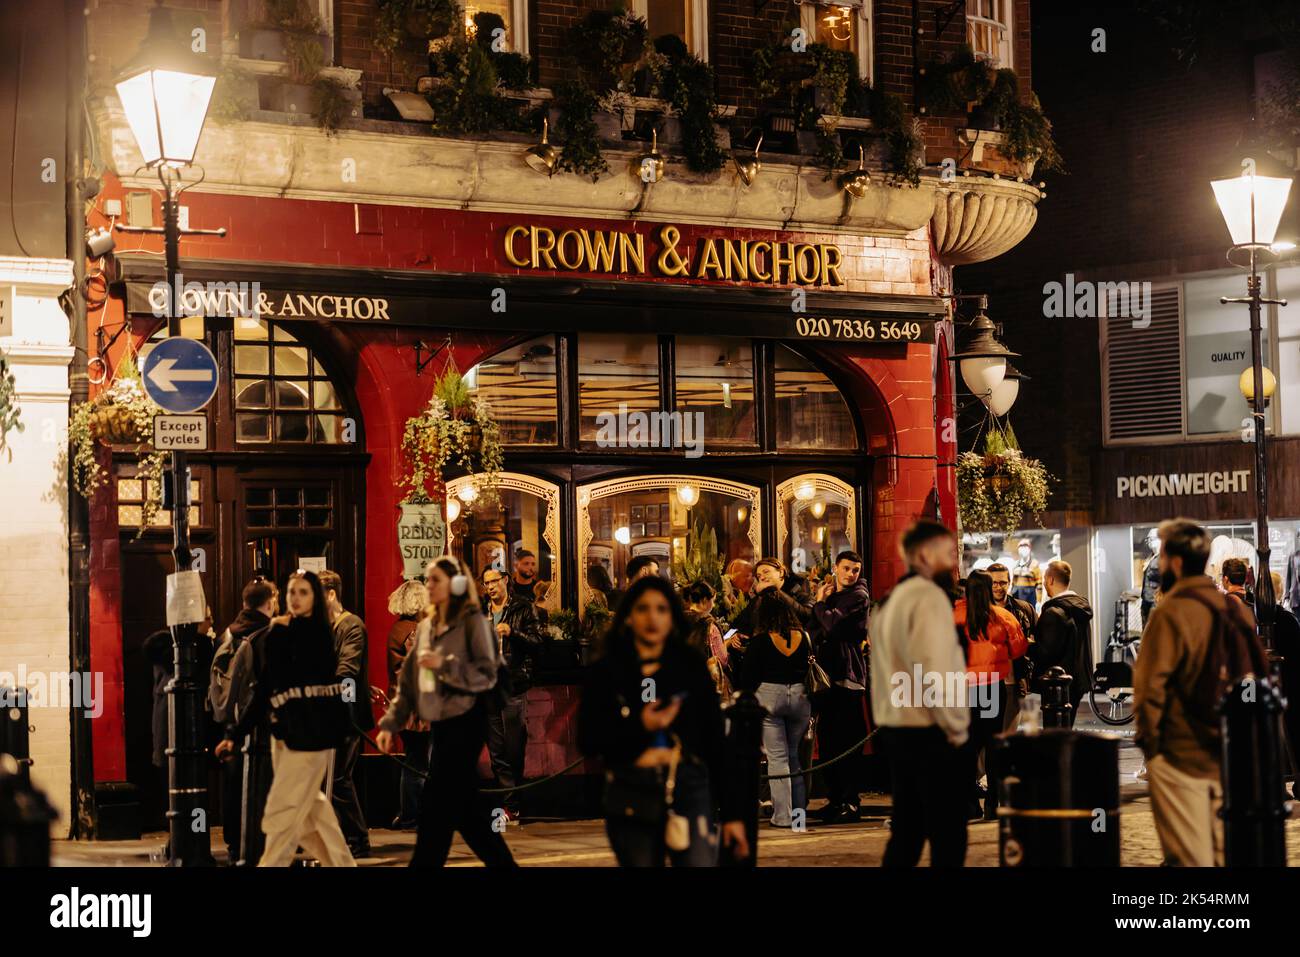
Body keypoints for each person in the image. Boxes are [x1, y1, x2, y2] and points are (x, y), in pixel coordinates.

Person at [577, 576, 750, 866]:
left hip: (686, 783)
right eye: (643, 608)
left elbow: (715, 742)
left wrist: (732, 815)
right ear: (629, 616)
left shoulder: (689, 666)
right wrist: (640, 724)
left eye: (661, 609)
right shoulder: (608, 670)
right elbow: (589, 739)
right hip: (631, 786)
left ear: (672, 615)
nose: (652, 617)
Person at [1135, 519, 1267, 866]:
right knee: (1220, 850)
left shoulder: (1171, 613)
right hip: (1228, 751)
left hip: (1181, 752)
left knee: (1188, 855)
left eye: (1163, 556)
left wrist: (1153, 748)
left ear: (1175, 562)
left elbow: (1150, 689)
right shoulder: (1231, 609)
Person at [375, 557, 516, 868]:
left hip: (467, 725)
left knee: (436, 808)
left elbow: (487, 674)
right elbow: (411, 679)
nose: (428, 586)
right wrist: (390, 724)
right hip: (441, 724)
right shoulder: (425, 627)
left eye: (434, 581)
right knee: (466, 815)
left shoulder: (473, 624)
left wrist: (446, 666)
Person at [214, 571, 355, 867]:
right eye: (292, 592)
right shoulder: (277, 631)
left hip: (313, 736)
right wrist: (236, 734)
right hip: (285, 733)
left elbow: (326, 684)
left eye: (303, 592)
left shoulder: (321, 633)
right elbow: (266, 686)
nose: (295, 598)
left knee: (282, 812)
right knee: (312, 814)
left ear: (315, 597)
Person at [870, 519, 969, 868]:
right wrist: (956, 726)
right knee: (949, 830)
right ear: (925, 555)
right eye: (947, 553)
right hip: (930, 729)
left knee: (909, 830)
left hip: (897, 726)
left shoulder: (889, 600)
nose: (953, 563)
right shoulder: (928, 597)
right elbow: (935, 667)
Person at [953, 569, 1028, 820]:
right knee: (993, 746)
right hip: (993, 688)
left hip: (964, 689)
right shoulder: (1002, 616)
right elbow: (1019, 649)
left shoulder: (953, 616)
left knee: (967, 747)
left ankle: (969, 804)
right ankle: (993, 804)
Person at [212, 579, 277, 863]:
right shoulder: (267, 634)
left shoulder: (228, 633)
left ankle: (234, 842)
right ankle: (257, 843)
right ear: (271, 601)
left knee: (233, 785)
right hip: (257, 720)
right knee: (260, 784)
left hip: (230, 718)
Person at [740, 589, 812, 828]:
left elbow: (748, 676)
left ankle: (782, 817)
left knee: (777, 758)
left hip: (771, 697)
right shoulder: (805, 636)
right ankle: (799, 818)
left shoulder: (761, 639)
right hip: (801, 697)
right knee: (794, 757)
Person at [809, 549, 871, 824]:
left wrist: (820, 605)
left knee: (848, 741)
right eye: (846, 568)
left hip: (847, 678)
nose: (851, 574)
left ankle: (850, 801)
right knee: (830, 741)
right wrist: (823, 607)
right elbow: (815, 628)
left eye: (855, 570)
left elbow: (831, 626)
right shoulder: (833, 596)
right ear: (836, 567)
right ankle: (836, 800)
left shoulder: (858, 595)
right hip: (827, 677)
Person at [481, 566, 546, 823]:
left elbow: (539, 642)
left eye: (494, 582)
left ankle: (513, 803)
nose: (490, 587)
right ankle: (509, 805)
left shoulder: (522, 607)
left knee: (513, 747)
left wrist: (513, 633)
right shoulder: (481, 611)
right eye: (486, 583)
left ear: (505, 581)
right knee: (495, 749)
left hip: (513, 685)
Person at [318, 569, 372, 859]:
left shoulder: (351, 625)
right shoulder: (328, 627)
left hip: (347, 716)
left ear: (331, 594)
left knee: (338, 778)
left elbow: (347, 669)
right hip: (333, 714)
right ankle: (342, 836)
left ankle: (358, 839)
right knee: (331, 778)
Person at [385, 579, 429, 830]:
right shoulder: (416, 631)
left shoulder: (398, 628)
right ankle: (413, 815)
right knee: (418, 763)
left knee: (413, 759)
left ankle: (409, 814)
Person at [1032, 560, 1094, 722]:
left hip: (1058, 683)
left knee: (1056, 730)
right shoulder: (1079, 608)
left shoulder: (1054, 611)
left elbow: (1046, 652)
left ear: (1050, 580)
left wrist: (1029, 645)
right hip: (1078, 679)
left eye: (1045, 578)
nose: (1044, 583)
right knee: (1067, 724)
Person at [987, 562, 1036, 733]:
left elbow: (1036, 639)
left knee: (1009, 733)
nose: (998, 587)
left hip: (1015, 681)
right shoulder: (980, 611)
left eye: (1002, 582)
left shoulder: (1023, 609)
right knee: (988, 735)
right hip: (988, 682)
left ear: (1009, 583)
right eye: (994, 582)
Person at [682, 580, 730, 697]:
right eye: (712, 601)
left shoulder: (677, 619)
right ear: (704, 600)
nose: (713, 605)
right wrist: (727, 643)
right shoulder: (710, 625)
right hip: (704, 684)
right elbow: (722, 659)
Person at [1010, 538, 1042, 606]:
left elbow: (1039, 584)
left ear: (1029, 548)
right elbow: (1012, 583)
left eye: (1025, 546)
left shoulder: (1034, 564)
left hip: (1029, 596)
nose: (1023, 548)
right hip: (1016, 595)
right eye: (1020, 546)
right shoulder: (1015, 565)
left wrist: (1039, 601)